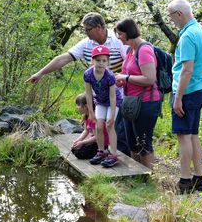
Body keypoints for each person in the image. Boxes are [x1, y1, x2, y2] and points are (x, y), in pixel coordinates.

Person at [26, 12, 130, 156]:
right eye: (84, 30)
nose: (86, 33)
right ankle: (103, 154)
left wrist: (122, 78)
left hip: (119, 95)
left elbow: (130, 62)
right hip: (99, 97)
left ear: (99, 27)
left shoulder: (118, 41)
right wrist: (40, 73)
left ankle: (121, 162)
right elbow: (63, 58)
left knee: (117, 128)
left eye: (88, 29)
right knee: (100, 127)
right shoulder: (86, 44)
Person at [167, 0, 202, 194]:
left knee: (183, 136)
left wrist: (177, 98)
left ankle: (185, 181)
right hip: (200, 89)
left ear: (179, 14)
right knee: (193, 135)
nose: (171, 21)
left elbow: (187, 70)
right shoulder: (200, 30)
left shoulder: (187, 36)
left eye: (171, 16)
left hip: (187, 91)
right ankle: (198, 178)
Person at [114, 18, 162, 169]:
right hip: (131, 102)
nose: (118, 37)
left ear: (129, 33)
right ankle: (138, 175)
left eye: (120, 34)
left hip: (147, 103)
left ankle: (149, 176)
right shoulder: (130, 50)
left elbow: (149, 79)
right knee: (132, 142)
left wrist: (126, 78)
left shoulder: (144, 50)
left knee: (143, 143)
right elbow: (127, 73)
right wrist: (121, 80)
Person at [84, 45, 122, 167]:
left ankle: (114, 154)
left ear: (108, 62)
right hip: (100, 101)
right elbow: (89, 94)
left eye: (104, 60)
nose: (101, 63)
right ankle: (101, 151)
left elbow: (112, 96)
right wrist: (90, 111)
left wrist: (111, 115)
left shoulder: (110, 76)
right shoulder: (88, 74)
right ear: (92, 61)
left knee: (109, 126)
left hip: (113, 102)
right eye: (98, 60)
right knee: (99, 127)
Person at [71, 93, 109, 159]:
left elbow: (97, 137)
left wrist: (82, 142)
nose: (77, 107)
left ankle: (104, 152)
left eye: (78, 105)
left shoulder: (95, 118)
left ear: (85, 106)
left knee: (79, 153)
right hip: (94, 141)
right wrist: (77, 141)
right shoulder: (87, 116)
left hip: (101, 144)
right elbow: (86, 131)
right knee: (74, 149)